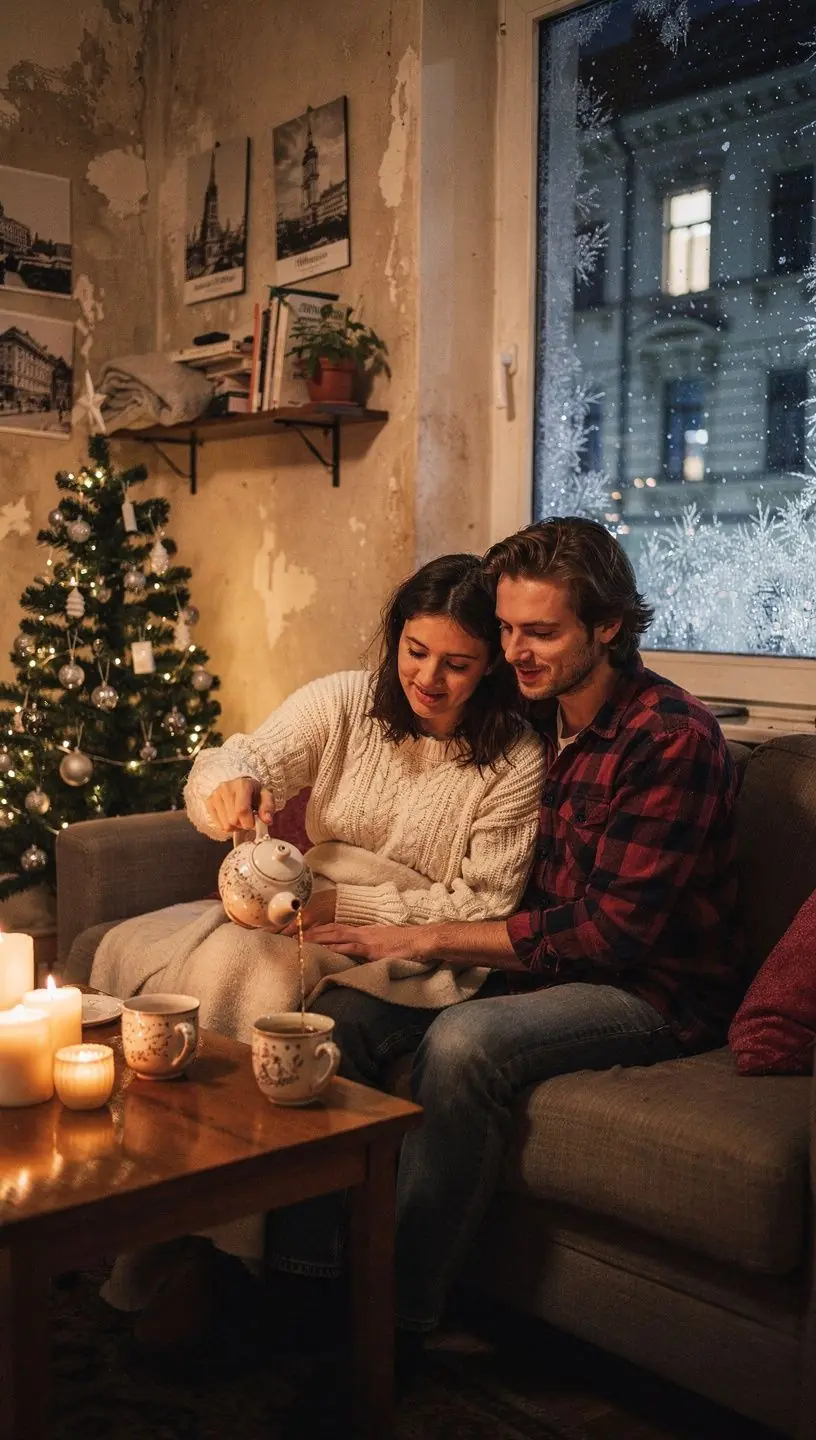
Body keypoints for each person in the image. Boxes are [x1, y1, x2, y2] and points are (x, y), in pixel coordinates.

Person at [279, 516, 742, 1346]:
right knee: (333, 1023)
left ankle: (395, 1324)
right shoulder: (536, 721)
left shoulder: (669, 739)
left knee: (463, 1044)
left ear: (608, 627)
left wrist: (427, 937)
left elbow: (610, 936)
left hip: (648, 992)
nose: (518, 652)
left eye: (543, 632)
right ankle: (303, 1288)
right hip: (539, 968)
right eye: (507, 630)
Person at [102, 551, 545, 1343]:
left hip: (417, 940)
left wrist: (348, 903)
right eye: (414, 651)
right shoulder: (345, 701)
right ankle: (182, 1221)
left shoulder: (513, 759)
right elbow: (237, 755)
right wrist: (228, 788)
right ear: (394, 640)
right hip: (305, 904)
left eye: (457, 663)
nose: (429, 679)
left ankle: (244, 1257)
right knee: (216, 967)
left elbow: (484, 903)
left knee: (272, 995)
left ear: (492, 669)